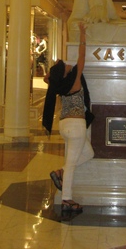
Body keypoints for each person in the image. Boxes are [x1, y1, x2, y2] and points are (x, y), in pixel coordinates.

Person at [42, 22, 94, 213]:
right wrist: (82, 34)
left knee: (89, 153)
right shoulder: (75, 80)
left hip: (64, 125)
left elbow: (48, 78)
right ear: (65, 72)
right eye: (65, 66)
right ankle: (66, 200)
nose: (68, 64)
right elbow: (82, 56)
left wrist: (54, 72)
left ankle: (60, 172)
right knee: (71, 164)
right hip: (77, 126)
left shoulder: (59, 85)